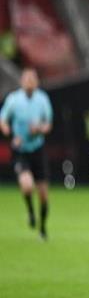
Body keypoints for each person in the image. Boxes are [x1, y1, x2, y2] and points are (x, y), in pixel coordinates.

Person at [0, 68, 53, 239]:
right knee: (27, 185)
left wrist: (39, 129)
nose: (29, 82)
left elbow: (48, 125)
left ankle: (42, 228)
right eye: (27, 79)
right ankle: (30, 211)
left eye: (32, 79)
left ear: (37, 82)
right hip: (20, 150)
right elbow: (3, 120)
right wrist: (8, 132)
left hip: (37, 149)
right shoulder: (13, 99)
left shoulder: (43, 99)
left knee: (43, 195)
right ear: (22, 81)